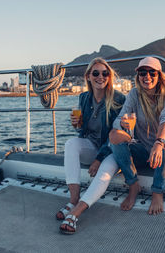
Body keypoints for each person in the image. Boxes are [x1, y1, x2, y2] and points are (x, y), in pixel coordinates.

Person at [57, 58, 125, 231]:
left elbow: (115, 134)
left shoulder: (118, 99)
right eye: (95, 73)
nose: (100, 77)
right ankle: (73, 199)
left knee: (106, 167)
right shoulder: (84, 97)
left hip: (112, 149)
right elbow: (83, 129)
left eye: (105, 73)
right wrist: (77, 124)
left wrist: (98, 159)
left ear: (109, 77)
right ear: (88, 76)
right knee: (71, 143)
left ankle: (76, 212)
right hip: (92, 145)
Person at [110, 56, 165, 215]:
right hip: (144, 151)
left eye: (151, 73)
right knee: (114, 137)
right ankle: (133, 185)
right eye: (142, 73)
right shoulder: (134, 94)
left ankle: (157, 191)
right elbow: (119, 119)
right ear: (138, 76)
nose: (147, 76)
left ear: (159, 76)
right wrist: (122, 125)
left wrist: (159, 142)